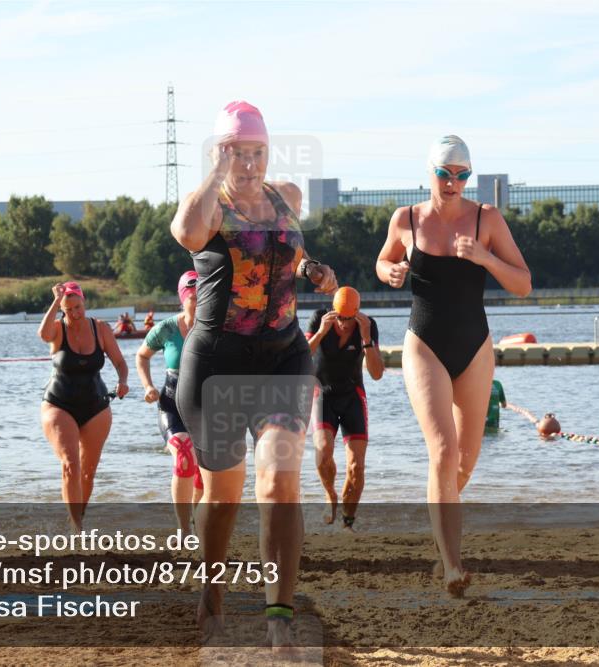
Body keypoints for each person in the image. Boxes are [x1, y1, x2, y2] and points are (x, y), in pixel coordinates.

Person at [170, 100, 337, 648]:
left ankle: (279, 617)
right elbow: (185, 233)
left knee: (279, 481)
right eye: (237, 153)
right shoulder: (209, 205)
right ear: (221, 153)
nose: (248, 164)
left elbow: (290, 246)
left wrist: (310, 269)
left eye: (257, 152)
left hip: (284, 357)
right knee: (223, 498)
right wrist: (216, 173)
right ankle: (212, 591)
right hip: (218, 362)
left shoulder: (285, 196)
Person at [374, 135, 531, 597]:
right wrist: (391, 272)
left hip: (475, 347)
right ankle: (451, 566)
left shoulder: (488, 219)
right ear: (430, 173)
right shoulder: (407, 220)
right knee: (442, 452)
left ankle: (440, 528)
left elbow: (523, 284)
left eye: (463, 175)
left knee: (464, 462)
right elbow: (384, 260)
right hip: (423, 344)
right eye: (446, 174)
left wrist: (484, 256)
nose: (454, 183)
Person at [38, 281, 130, 530]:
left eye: (78, 307)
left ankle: (77, 518)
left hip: (96, 406)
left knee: (88, 471)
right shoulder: (57, 329)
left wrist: (122, 382)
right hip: (59, 404)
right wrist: (56, 302)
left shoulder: (100, 329)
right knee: (70, 464)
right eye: (69, 310)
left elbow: (120, 363)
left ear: (84, 302)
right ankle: (76, 527)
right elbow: (43, 335)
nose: (75, 314)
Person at [306, 286, 384, 530]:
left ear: (357, 314)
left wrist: (366, 339)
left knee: (356, 465)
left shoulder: (367, 326)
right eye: (339, 317)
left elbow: (377, 373)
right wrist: (321, 332)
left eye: (349, 319)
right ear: (333, 312)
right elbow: (300, 357)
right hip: (322, 395)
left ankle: (348, 522)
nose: (343, 324)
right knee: (323, 452)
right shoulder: (320, 319)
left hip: (352, 396)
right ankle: (331, 495)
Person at [136, 271, 203, 534]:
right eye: (194, 298)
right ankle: (182, 529)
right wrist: (148, 386)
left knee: (202, 472)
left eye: (204, 297)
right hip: (171, 404)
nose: (199, 302)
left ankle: (198, 522)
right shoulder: (166, 329)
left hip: (205, 407)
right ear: (183, 298)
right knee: (184, 457)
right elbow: (142, 356)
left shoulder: (217, 327)